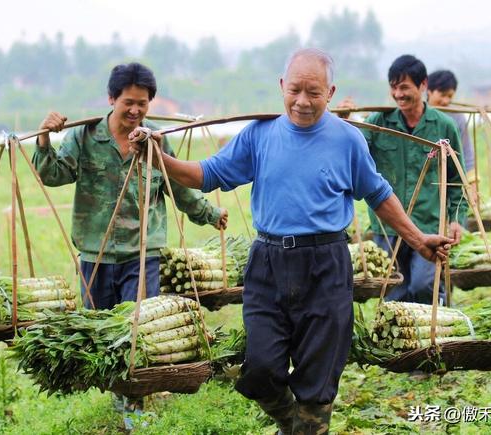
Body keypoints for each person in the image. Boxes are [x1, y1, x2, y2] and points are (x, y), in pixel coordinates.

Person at [129, 49, 453, 435]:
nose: (302, 101)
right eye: (295, 90)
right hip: (269, 263)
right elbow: (208, 174)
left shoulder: (348, 140)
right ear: (282, 86)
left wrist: (418, 240)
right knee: (262, 367)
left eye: (313, 92)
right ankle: (294, 423)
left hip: (327, 263)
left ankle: (308, 424)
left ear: (330, 92)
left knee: (318, 376)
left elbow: (379, 195)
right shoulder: (259, 135)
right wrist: (157, 158)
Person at [32, 62, 228, 429]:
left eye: (143, 103)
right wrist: (44, 138)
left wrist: (208, 213)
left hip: (143, 252)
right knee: (103, 332)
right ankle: (118, 392)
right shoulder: (86, 136)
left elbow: (177, 187)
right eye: (128, 102)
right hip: (96, 252)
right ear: (111, 99)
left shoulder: (155, 140)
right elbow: (53, 173)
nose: (135, 110)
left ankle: (135, 404)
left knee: (138, 332)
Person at [341, 55, 467, 305]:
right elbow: (350, 152)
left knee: (424, 286)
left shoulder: (443, 126)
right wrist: (344, 120)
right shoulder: (379, 124)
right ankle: (404, 343)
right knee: (393, 291)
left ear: (423, 86)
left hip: (429, 224)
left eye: (404, 87)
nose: (398, 94)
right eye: (394, 87)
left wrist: (456, 219)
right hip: (388, 227)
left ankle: (434, 338)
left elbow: (456, 179)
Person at [427, 69, 477, 202]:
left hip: (451, 180)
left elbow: (467, 153)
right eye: (442, 95)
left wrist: (472, 186)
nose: (445, 100)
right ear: (429, 91)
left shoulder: (457, 117)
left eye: (449, 96)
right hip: (425, 180)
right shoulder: (417, 115)